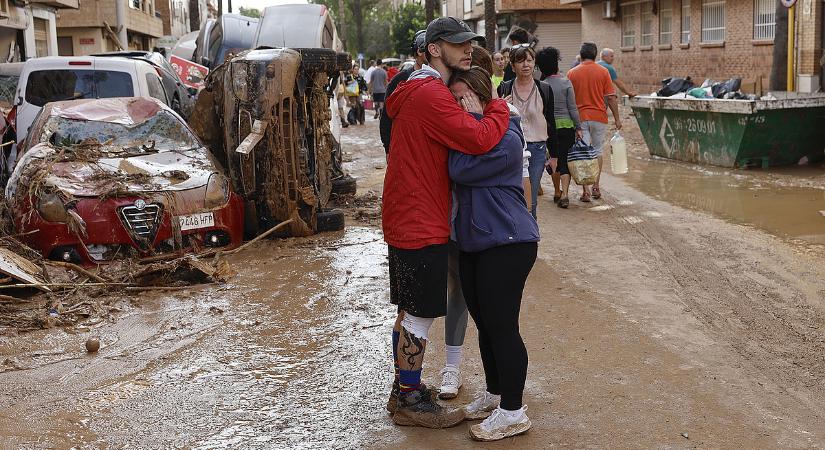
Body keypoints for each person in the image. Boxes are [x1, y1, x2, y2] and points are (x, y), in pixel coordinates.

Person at [383, 16, 510, 428]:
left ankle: (405, 389)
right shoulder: (431, 93)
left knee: (408, 311)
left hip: (406, 213)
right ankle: (408, 401)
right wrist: (497, 107)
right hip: (421, 217)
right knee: (419, 314)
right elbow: (478, 139)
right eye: (457, 44)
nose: (467, 49)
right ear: (435, 48)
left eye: (469, 42)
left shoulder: (412, 88)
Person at [447, 66, 540, 441]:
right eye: (453, 99)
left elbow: (459, 168)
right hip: (474, 241)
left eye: (465, 97)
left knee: (503, 327)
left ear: (483, 98)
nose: (458, 105)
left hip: (509, 242)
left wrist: (471, 122)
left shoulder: (508, 136)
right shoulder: (469, 133)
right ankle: (495, 393)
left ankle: (514, 411)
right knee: (486, 324)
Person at [497, 45, 558, 219]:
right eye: (520, 60)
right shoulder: (505, 88)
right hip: (511, 148)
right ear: (513, 65)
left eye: (530, 60)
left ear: (534, 63)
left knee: (530, 195)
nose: (526, 64)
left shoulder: (544, 89)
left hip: (537, 149)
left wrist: (554, 155)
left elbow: (551, 122)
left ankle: (529, 234)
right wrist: (500, 106)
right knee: (512, 192)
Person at [567, 42, 622, 202]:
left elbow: (569, 99)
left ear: (581, 54)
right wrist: (617, 119)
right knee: (597, 150)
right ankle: (596, 186)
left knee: (584, 152)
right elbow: (611, 97)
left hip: (579, 118)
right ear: (596, 54)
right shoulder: (604, 72)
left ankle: (585, 191)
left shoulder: (572, 73)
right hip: (599, 117)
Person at [536, 46, 582, 209]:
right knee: (564, 160)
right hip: (566, 127)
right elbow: (573, 108)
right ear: (556, 64)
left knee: (552, 158)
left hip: (548, 129)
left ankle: (556, 191)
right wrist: (578, 127)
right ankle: (565, 194)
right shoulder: (565, 82)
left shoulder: (541, 85)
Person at [380, 30, 427, 154]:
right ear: (419, 51)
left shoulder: (443, 77)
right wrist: (388, 149)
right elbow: (386, 116)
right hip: (405, 149)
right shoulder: (400, 80)